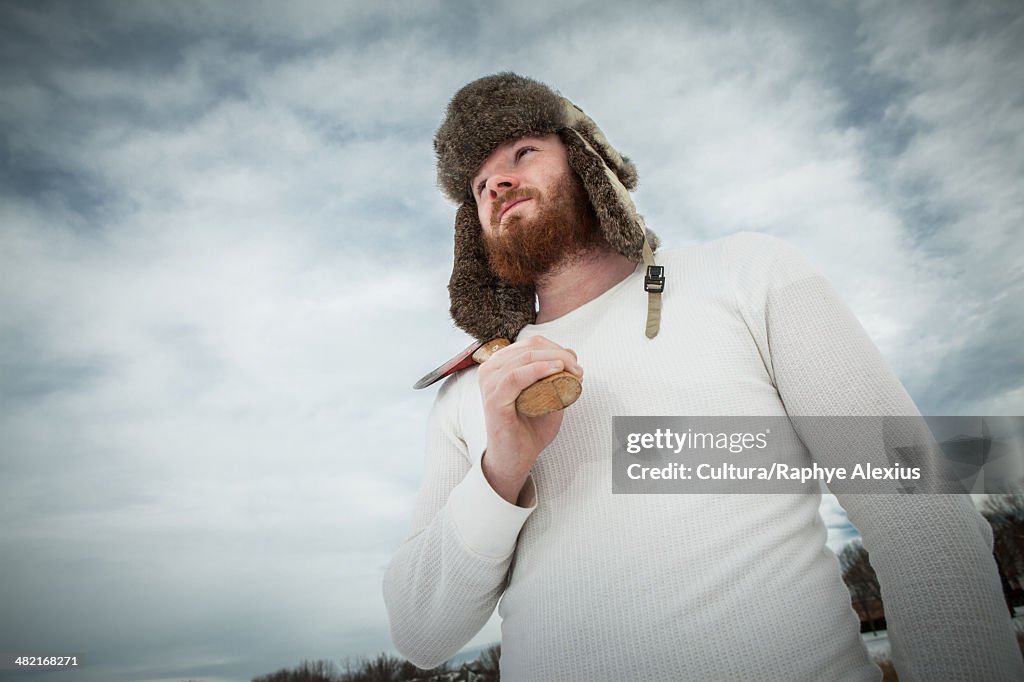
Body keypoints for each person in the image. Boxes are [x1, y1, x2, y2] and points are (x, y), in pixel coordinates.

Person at [383, 73, 1022, 680]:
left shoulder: (747, 274)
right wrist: (500, 475)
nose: (497, 183)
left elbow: (917, 506)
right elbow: (421, 633)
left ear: (587, 160)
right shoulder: (472, 388)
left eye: (522, 151)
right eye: (478, 183)